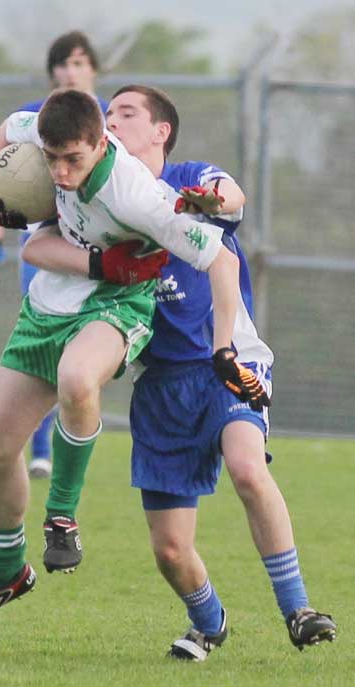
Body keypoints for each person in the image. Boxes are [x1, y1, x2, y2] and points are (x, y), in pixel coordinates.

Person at [20, 85, 336, 659]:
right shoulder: (96, 197)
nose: (113, 119)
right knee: (169, 551)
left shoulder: (188, 178)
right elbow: (37, 243)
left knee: (246, 466)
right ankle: (209, 621)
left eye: (126, 112)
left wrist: (210, 198)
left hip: (225, 363)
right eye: (108, 112)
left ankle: (300, 609)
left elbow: (229, 196)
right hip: (159, 383)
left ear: (161, 130)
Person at [0, 88, 257, 643]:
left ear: (100, 144)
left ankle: (62, 517)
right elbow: (6, 128)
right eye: (52, 159)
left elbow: (222, 258)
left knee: (77, 378)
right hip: (51, 301)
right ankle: (3, 576)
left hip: (118, 305)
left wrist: (225, 347)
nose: (60, 174)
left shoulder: (137, 195)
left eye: (74, 160)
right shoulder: (43, 132)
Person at [0, 31, 108, 479]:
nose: (70, 71)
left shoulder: (110, 118)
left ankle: (72, 436)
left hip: (94, 247)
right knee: (42, 341)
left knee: (83, 352)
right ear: (53, 71)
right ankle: (40, 449)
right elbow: (6, 179)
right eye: (63, 63)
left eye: (78, 62)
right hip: (43, 244)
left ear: (93, 68)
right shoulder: (36, 115)